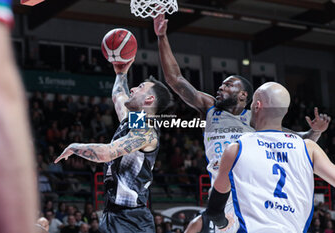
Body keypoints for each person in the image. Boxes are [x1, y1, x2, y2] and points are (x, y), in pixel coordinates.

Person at [153, 14, 331, 233]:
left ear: (243, 96)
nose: (220, 88)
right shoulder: (209, 107)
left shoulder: (257, 120)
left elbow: (297, 144)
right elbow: (175, 79)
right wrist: (162, 36)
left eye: (228, 85)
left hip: (248, 191)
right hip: (221, 188)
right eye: (222, 85)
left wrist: (315, 131)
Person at [55, 59, 173, 232]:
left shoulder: (146, 131)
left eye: (140, 87)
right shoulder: (135, 121)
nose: (132, 89)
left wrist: (74, 147)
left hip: (132, 221)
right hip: (112, 214)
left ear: (149, 99)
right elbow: (118, 96)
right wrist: (120, 73)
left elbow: (107, 153)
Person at [202, 82, 334, 232]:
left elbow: (213, 212)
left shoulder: (236, 149)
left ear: (257, 106)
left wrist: (223, 224)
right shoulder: (308, 148)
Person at [0, 1, 38, 233]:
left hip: (133, 215)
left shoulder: (139, 124)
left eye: (143, 87)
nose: (137, 89)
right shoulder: (131, 114)